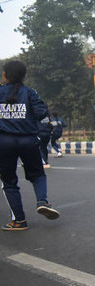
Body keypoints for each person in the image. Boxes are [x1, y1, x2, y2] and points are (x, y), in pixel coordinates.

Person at [0, 61, 60, 230]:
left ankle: (19, 220)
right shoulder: (30, 92)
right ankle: (42, 201)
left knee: (9, 181)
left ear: (5, 75)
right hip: (28, 140)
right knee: (37, 174)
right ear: (23, 75)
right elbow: (41, 112)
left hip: (4, 142)